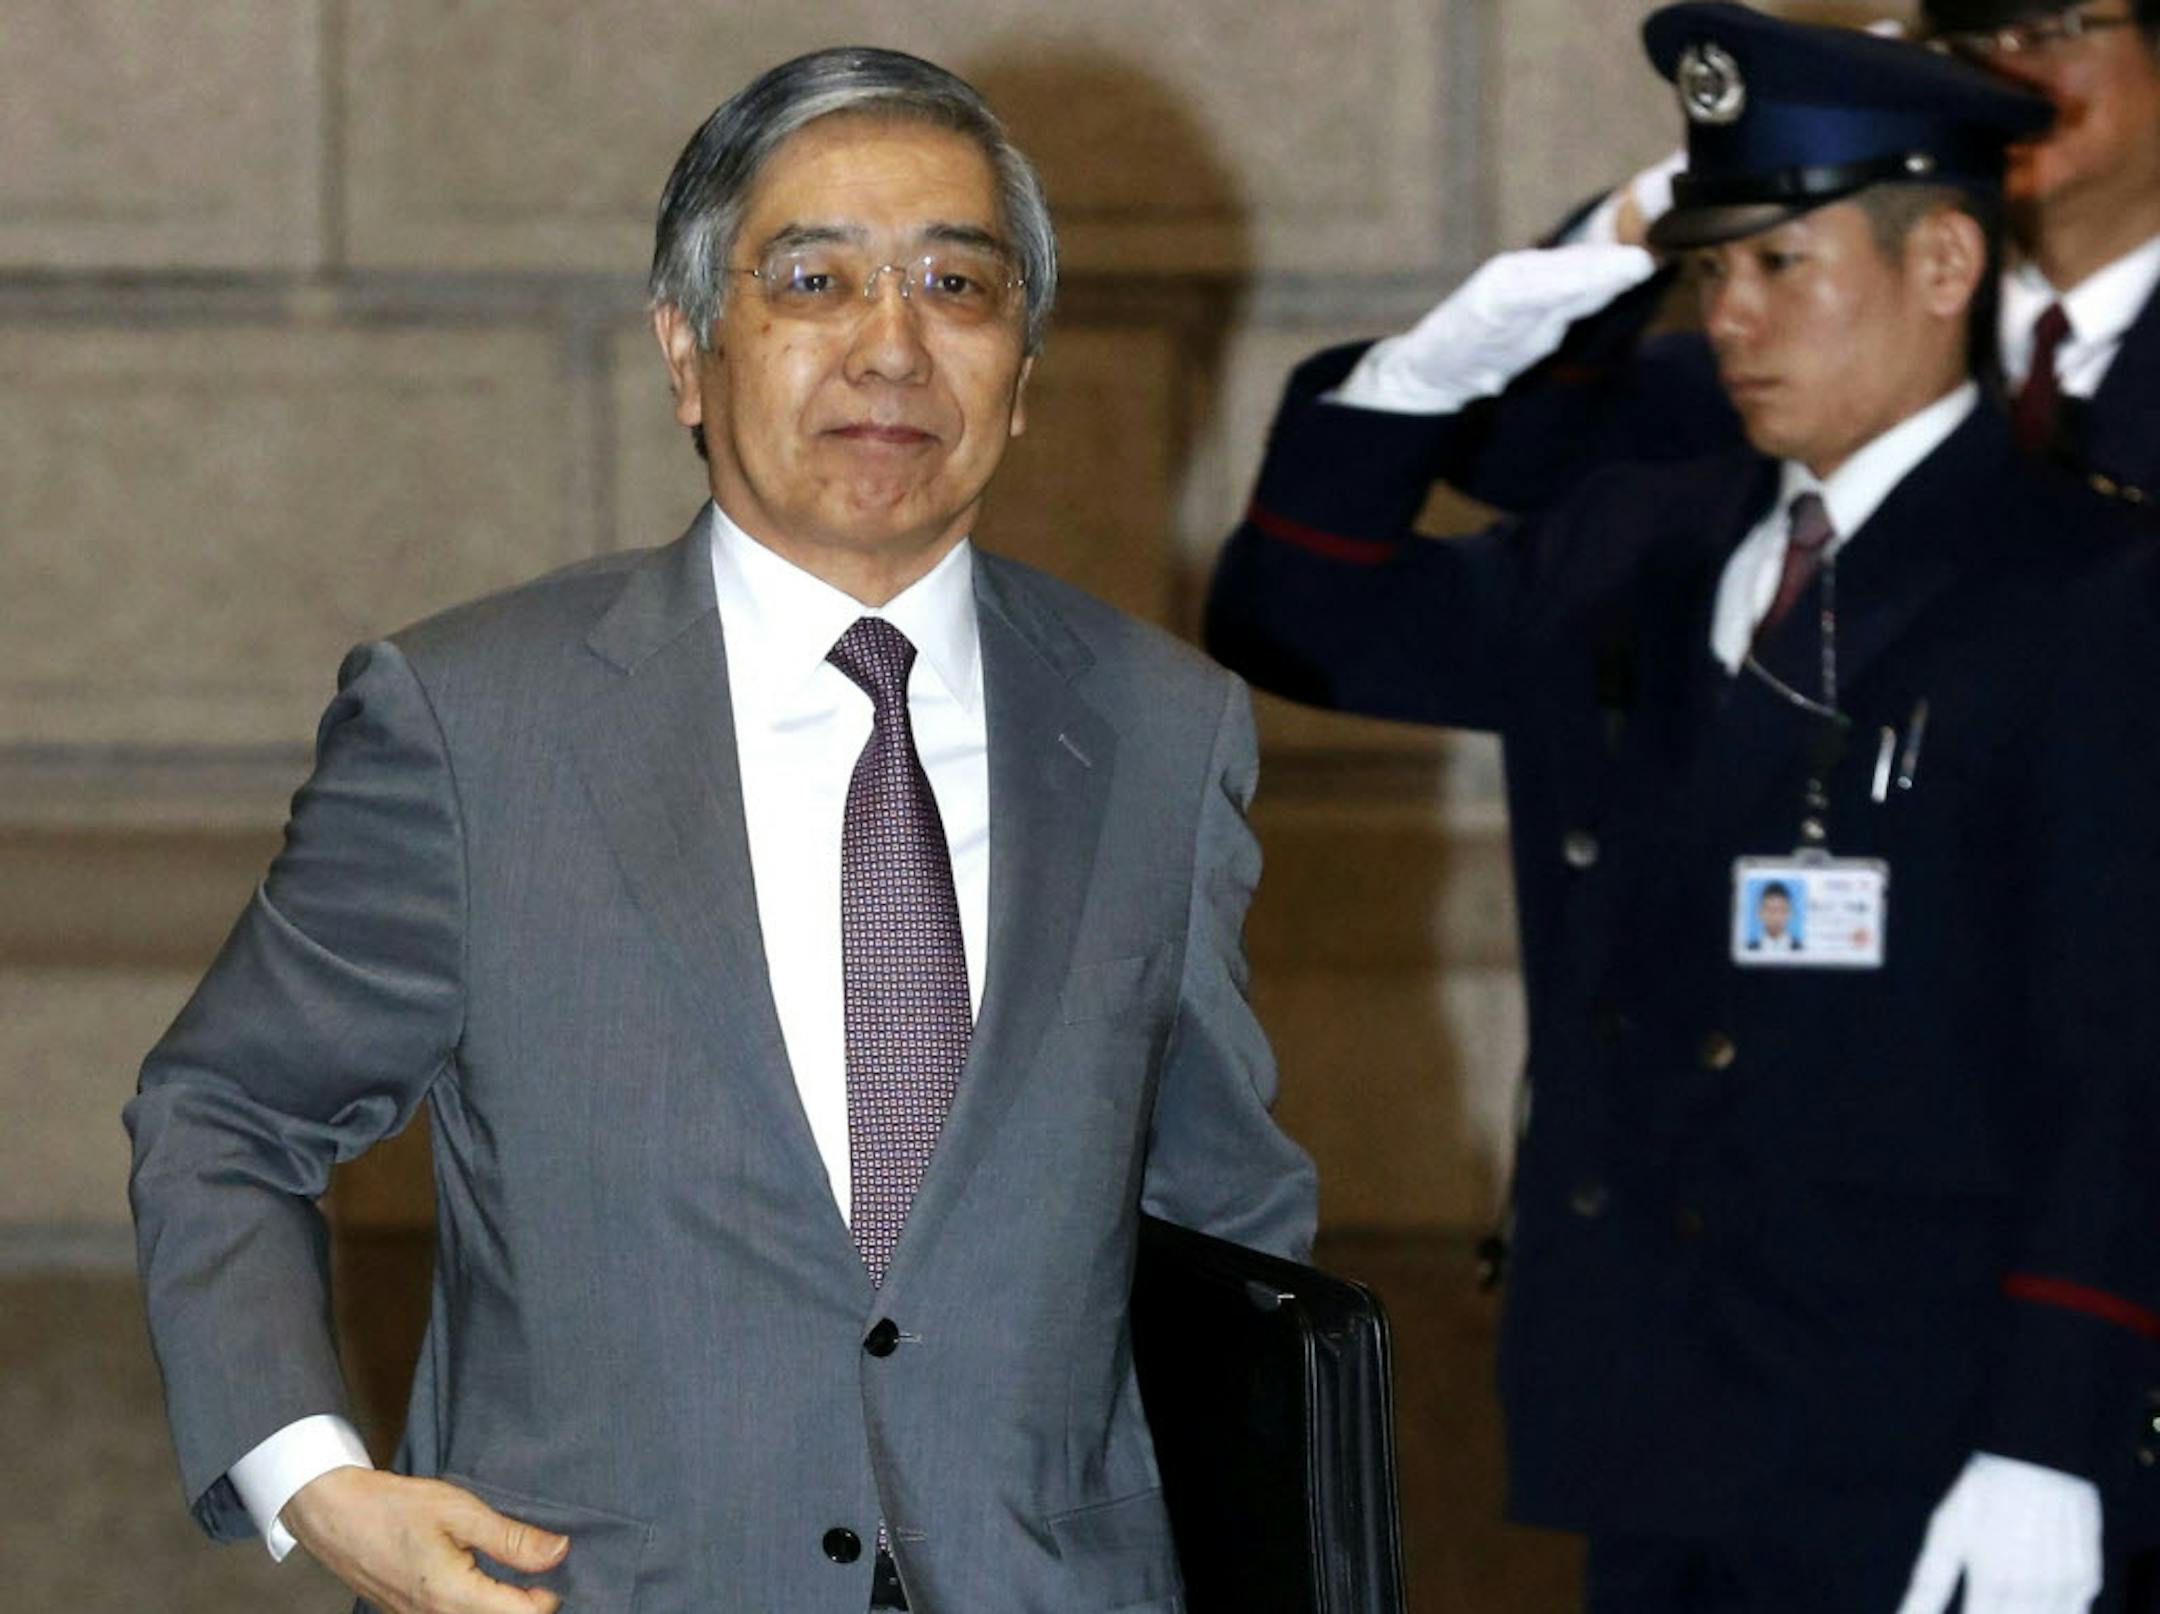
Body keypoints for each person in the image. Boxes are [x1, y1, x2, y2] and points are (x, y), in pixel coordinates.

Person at [125, 46, 1315, 1614]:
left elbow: (1224, 1224)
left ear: (1021, 375)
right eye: (816, 279)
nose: (892, 348)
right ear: (688, 353)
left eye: (957, 285)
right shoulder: (477, 722)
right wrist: (315, 1480)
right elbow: (225, 1112)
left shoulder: (1164, 731)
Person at [1209, 5, 2160, 1610]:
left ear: (1942, 267)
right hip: (1655, 1414)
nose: (1731, 315)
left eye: (1783, 266)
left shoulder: (2089, 580)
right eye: (1713, 270)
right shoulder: (1639, 541)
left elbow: (2117, 1053)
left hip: (1932, 1433)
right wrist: (1482, 330)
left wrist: (2054, 1439)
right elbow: (1296, 610)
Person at [1320, 0, 2160, 528]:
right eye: (1961, 29)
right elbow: (1511, 454)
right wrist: (1652, 211)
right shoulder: (1805, 358)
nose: (1999, 63)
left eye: (2050, 27)